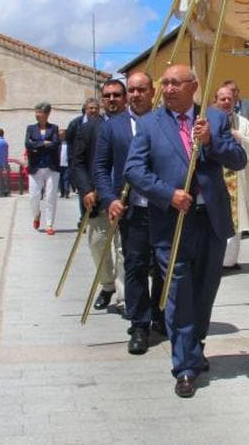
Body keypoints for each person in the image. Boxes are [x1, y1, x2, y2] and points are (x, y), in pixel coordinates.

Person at [124, 64, 247, 398]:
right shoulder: (150, 125)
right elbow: (133, 170)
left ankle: (195, 344)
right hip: (172, 223)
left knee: (205, 290)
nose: (167, 89)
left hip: (211, 219)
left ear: (194, 86)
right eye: (164, 83)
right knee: (178, 293)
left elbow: (239, 160)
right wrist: (167, 193)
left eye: (175, 83)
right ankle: (185, 367)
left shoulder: (215, 119)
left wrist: (212, 142)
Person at [94, 71, 165, 355]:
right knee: (134, 266)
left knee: (163, 266)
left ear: (152, 91)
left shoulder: (165, 121)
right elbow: (100, 167)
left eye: (141, 89)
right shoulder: (112, 127)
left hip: (162, 208)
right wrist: (109, 199)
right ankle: (139, 324)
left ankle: (161, 315)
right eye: (131, 90)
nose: (136, 95)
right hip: (132, 209)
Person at [70, 78, 121, 311]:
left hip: (125, 199)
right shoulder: (89, 127)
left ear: (125, 97)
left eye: (117, 95)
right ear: (102, 100)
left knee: (124, 250)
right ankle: (108, 285)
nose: (112, 100)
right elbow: (77, 162)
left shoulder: (133, 124)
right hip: (98, 200)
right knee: (97, 244)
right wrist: (86, 189)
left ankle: (124, 295)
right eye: (107, 96)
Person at [212, 84, 249, 268]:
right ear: (215, 100)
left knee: (236, 219)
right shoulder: (208, 120)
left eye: (229, 99)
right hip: (217, 175)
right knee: (216, 219)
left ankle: (230, 261)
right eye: (222, 99)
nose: (226, 102)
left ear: (234, 101)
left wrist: (238, 136)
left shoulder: (243, 122)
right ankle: (216, 260)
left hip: (237, 176)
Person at [25, 103, 60, 234]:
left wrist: (36, 145)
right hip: (35, 167)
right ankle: (36, 215)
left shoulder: (54, 128)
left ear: (46, 114)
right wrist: (44, 143)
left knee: (50, 196)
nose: (36, 114)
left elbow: (55, 144)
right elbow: (28, 144)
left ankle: (49, 224)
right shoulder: (30, 128)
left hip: (51, 167)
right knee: (34, 196)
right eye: (36, 112)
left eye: (39, 112)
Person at [57, 129, 71, 198]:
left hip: (67, 164)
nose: (60, 136)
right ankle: (62, 192)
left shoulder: (69, 144)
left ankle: (67, 192)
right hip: (59, 164)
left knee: (66, 178)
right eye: (59, 135)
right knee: (60, 179)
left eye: (62, 135)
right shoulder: (57, 144)